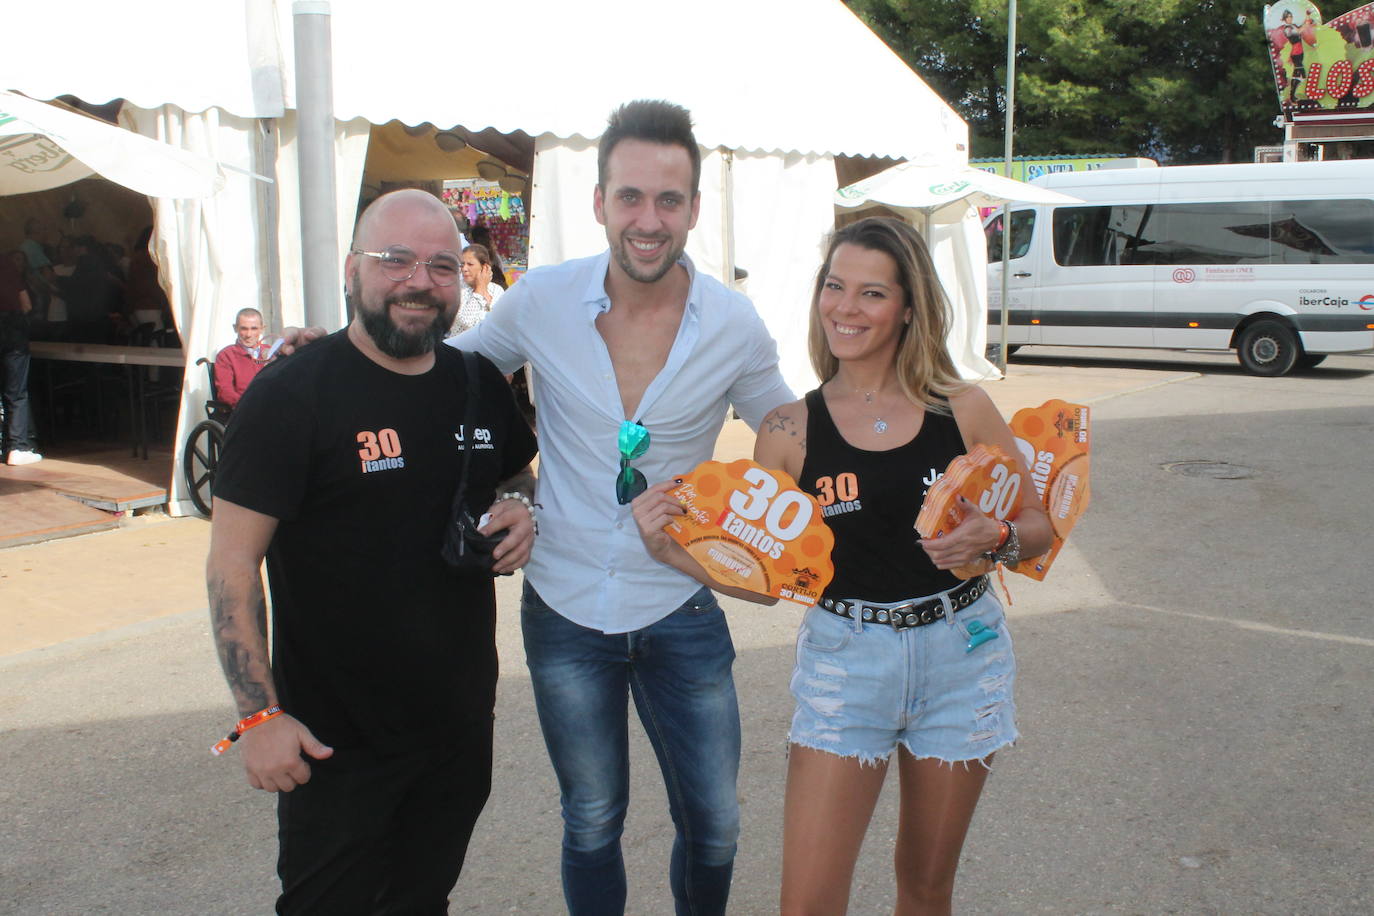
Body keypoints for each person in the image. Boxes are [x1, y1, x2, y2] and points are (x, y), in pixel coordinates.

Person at [634, 217, 1053, 914]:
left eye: (871, 293)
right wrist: (672, 553)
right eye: (834, 286)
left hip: (962, 655)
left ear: (910, 308)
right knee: (808, 903)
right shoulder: (788, 430)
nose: (844, 308)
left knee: (926, 888)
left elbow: (1037, 527)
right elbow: (770, 586)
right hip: (846, 663)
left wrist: (997, 534)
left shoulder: (964, 407)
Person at [449, 99, 793, 915]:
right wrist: (336, 358)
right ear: (600, 202)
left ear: (694, 210)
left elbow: (788, 430)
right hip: (564, 606)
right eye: (630, 197)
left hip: (679, 600)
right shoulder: (541, 300)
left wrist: (893, 420)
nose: (648, 220)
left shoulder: (733, 324)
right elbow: (448, 374)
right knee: (592, 820)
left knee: (716, 827)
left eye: (669, 199)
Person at [205, 189, 538, 914]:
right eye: (396, 260)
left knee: (422, 901)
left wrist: (522, 506)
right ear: (353, 269)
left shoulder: (478, 384)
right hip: (336, 742)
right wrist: (259, 716)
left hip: (455, 730)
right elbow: (230, 566)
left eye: (442, 265)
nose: (420, 281)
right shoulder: (292, 394)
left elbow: (516, 470)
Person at [0, 253, 40, 465]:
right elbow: (26, 304)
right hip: (12, 332)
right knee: (16, 393)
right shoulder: (6, 264)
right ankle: (17, 447)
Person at [213, 307, 274, 408]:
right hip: (244, 409)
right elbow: (225, 392)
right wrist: (250, 406)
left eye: (254, 328)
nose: (249, 334)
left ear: (262, 329)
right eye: (244, 329)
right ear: (235, 328)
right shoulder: (226, 355)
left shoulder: (272, 352)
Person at [447, 244, 505, 337]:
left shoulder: (497, 290)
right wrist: (480, 289)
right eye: (462, 264)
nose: (464, 269)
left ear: (484, 267)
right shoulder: (456, 290)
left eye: (470, 264)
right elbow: (468, 322)